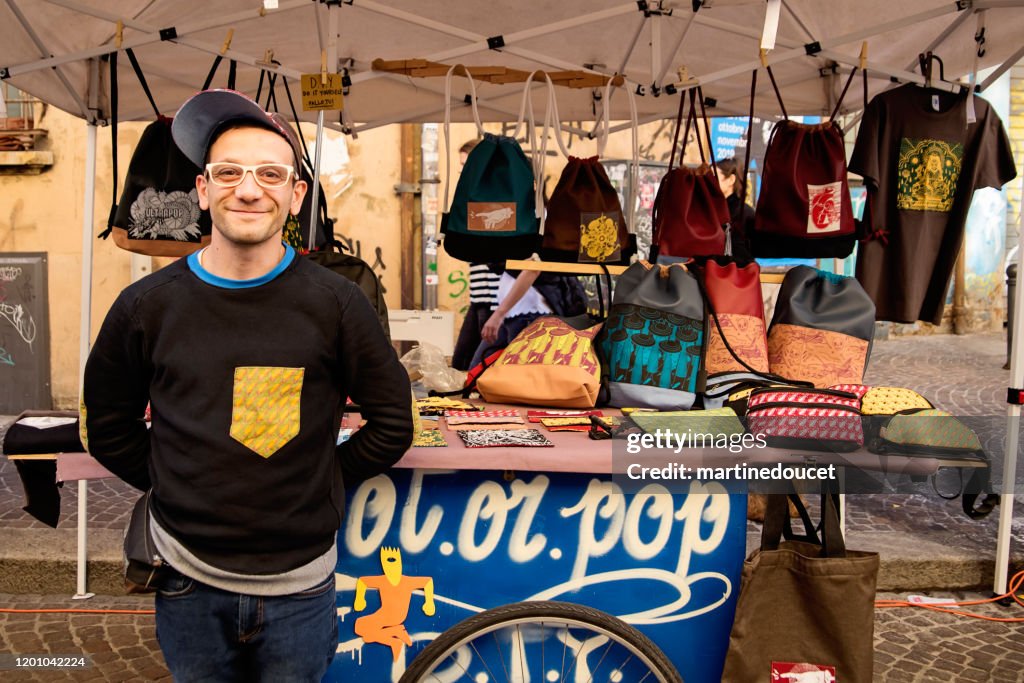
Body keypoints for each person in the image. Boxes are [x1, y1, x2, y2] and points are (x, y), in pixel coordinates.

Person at [81, 89, 414, 682]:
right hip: (187, 579)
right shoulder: (145, 307)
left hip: (301, 587)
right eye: (229, 172)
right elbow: (107, 426)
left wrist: (325, 479)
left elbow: (393, 422)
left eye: (270, 174)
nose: (250, 188)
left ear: (295, 194)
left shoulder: (338, 304)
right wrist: (176, 481)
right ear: (203, 190)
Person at [715, 157, 754, 259]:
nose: (710, 181)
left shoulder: (744, 213)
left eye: (714, 177)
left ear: (731, 180)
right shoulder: (713, 209)